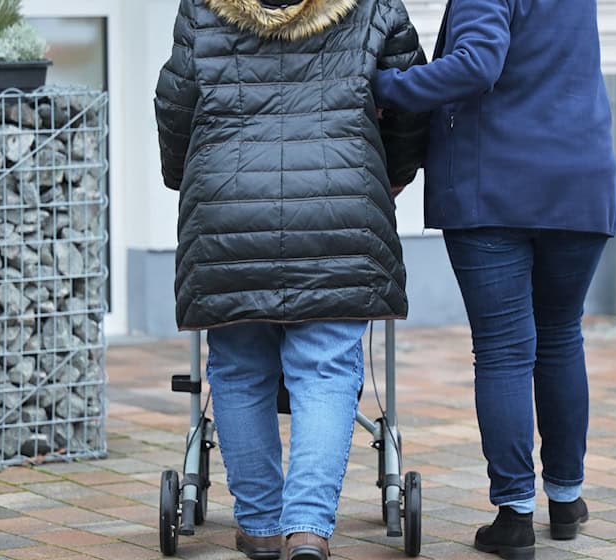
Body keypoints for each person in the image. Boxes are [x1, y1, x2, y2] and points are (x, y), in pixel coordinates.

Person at [154, 0, 428, 557]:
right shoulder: (374, 6)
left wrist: (190, 177)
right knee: (326, 369)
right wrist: (391, 176)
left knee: (237, 368)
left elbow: (176, 105)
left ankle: (258, 527)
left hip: (230, 215)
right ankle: (306, 529)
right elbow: (408, 105)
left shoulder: (203, 7)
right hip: (338, 210)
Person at [373, 0, 616, 558]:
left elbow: (477, 63)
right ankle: (565, 499)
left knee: (505, 350)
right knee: (559, 335)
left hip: (496, 188)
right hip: (580, 180)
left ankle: (514, 516)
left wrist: (384, 85)